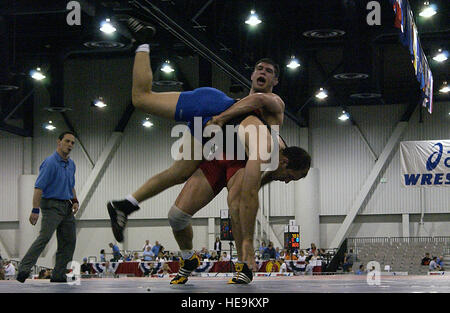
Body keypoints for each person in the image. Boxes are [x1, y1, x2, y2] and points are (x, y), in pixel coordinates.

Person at [107, 17, 285, 244]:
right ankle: (141, 43)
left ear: (275, 79)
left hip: (214, 130)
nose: (263, 72)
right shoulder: (269, 100)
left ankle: (126, 204)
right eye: (259, 68)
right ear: (251, 75)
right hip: (214, 106)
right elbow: (258, 101)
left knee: (179, 171)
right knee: (141, 99)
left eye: (269, 71)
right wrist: (222, 118)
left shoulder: (272, 112)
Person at [16, 131, 78, 283]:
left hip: (67, 206)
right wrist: (35, 209)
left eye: (72, 143)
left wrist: (75, 200)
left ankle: (59, 274)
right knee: (44, 238)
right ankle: (23, 269)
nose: (70, 145)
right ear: (59, 142)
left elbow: (71, 186)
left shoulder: (71, 164)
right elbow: (39, 188)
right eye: (67, 141)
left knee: (69, 241)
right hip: (51, 205)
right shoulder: (50, 163)